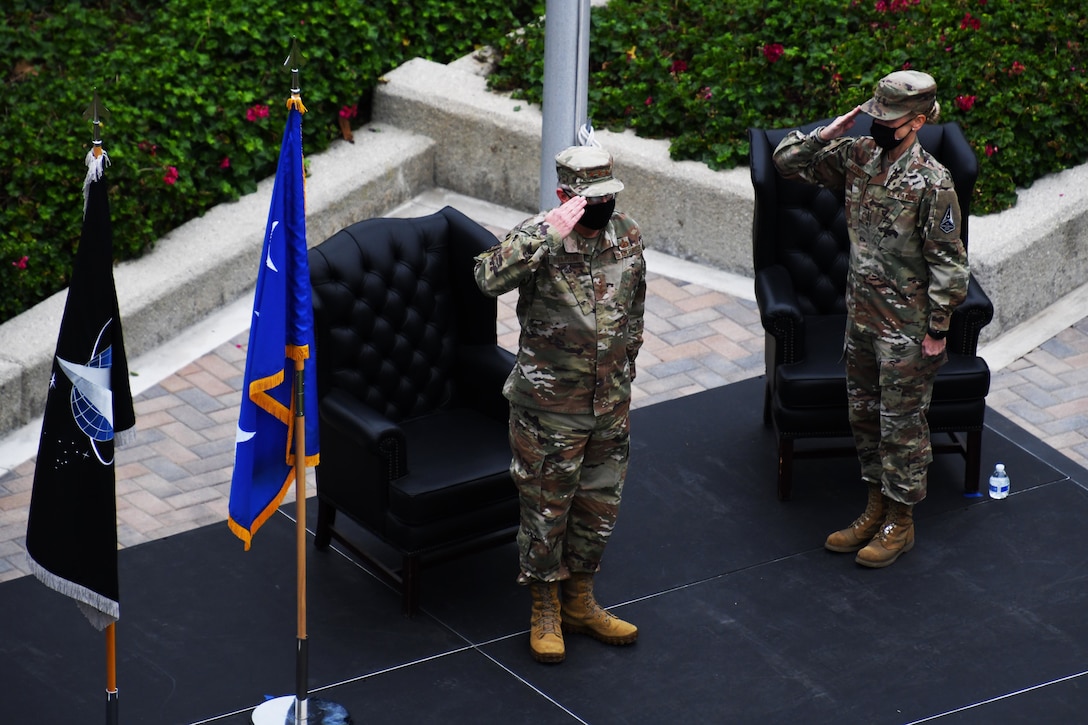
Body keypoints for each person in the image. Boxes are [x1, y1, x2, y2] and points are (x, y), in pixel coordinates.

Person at [772, 70, 969, 568]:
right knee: (863, 418)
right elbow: (786, 165)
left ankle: (899, 524)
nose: (877, 125)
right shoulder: (858, 157)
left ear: (918, 121)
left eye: (890, 119)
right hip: (860, 320)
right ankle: (874, 508)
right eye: (875, 115)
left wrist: (937, 331)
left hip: (906, 330)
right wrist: (828, 133)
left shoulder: (933, 182)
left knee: (901, 426)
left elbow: (950, 264)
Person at [473, 145, 646, 662]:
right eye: (589, 199)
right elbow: (486, 278)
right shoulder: (539, 239)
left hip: (609, 402)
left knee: (598, 506)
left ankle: (580, 601)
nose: (602, 207)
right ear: (565, 195)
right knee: (546, 510)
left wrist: (626, 368)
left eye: (607, 197)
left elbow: (635, 306)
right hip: (550, 409)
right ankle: (545, 606)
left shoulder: (627, 235)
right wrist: (546, 231)